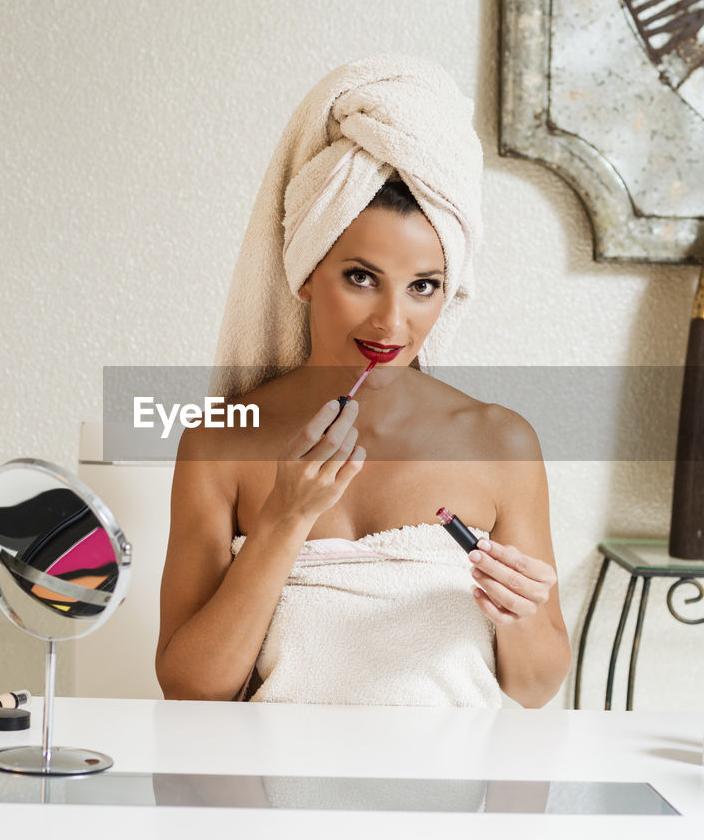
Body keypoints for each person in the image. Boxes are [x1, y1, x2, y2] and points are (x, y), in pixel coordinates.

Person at [155, 56, 570, 708]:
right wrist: (282, 524)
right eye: (360, 276)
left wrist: (517, 614)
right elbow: (190, 689)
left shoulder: (501, 443)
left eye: (423, 286)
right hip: (277, 798)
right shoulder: (220, 442)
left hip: (452, 802)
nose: (391, 321)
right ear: (305, 272)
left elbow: (537, 687)